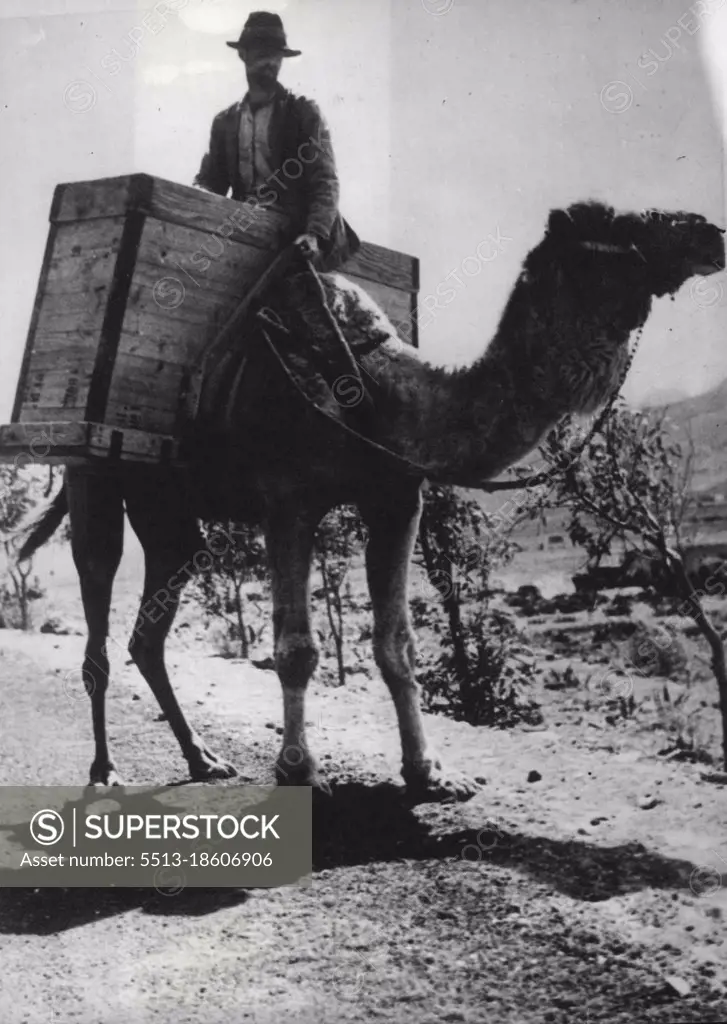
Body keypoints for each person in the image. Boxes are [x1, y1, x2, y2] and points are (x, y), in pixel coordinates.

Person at [194, 11, 359, 272]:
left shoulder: (303, 113)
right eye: (261, 53)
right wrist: (193, 202)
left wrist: (314, 234)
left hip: (293, 234)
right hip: (242, 231)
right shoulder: (225, 122)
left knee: (300, 299)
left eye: (275, 55)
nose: (269, 62)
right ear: (243, 55)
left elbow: (324, 180)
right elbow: (209, 181)